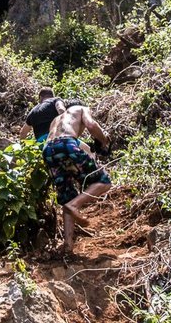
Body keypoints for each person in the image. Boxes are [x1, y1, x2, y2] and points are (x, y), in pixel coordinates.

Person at [42, 100, 112, 254]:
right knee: (104, 181)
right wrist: (104, 140)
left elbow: (58, 140)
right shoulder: (81, 108)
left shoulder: (56, 120)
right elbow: (92, 125)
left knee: (67, 196)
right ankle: (75, 205)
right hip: (67, 144)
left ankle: (68, 247)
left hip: (48, 149)